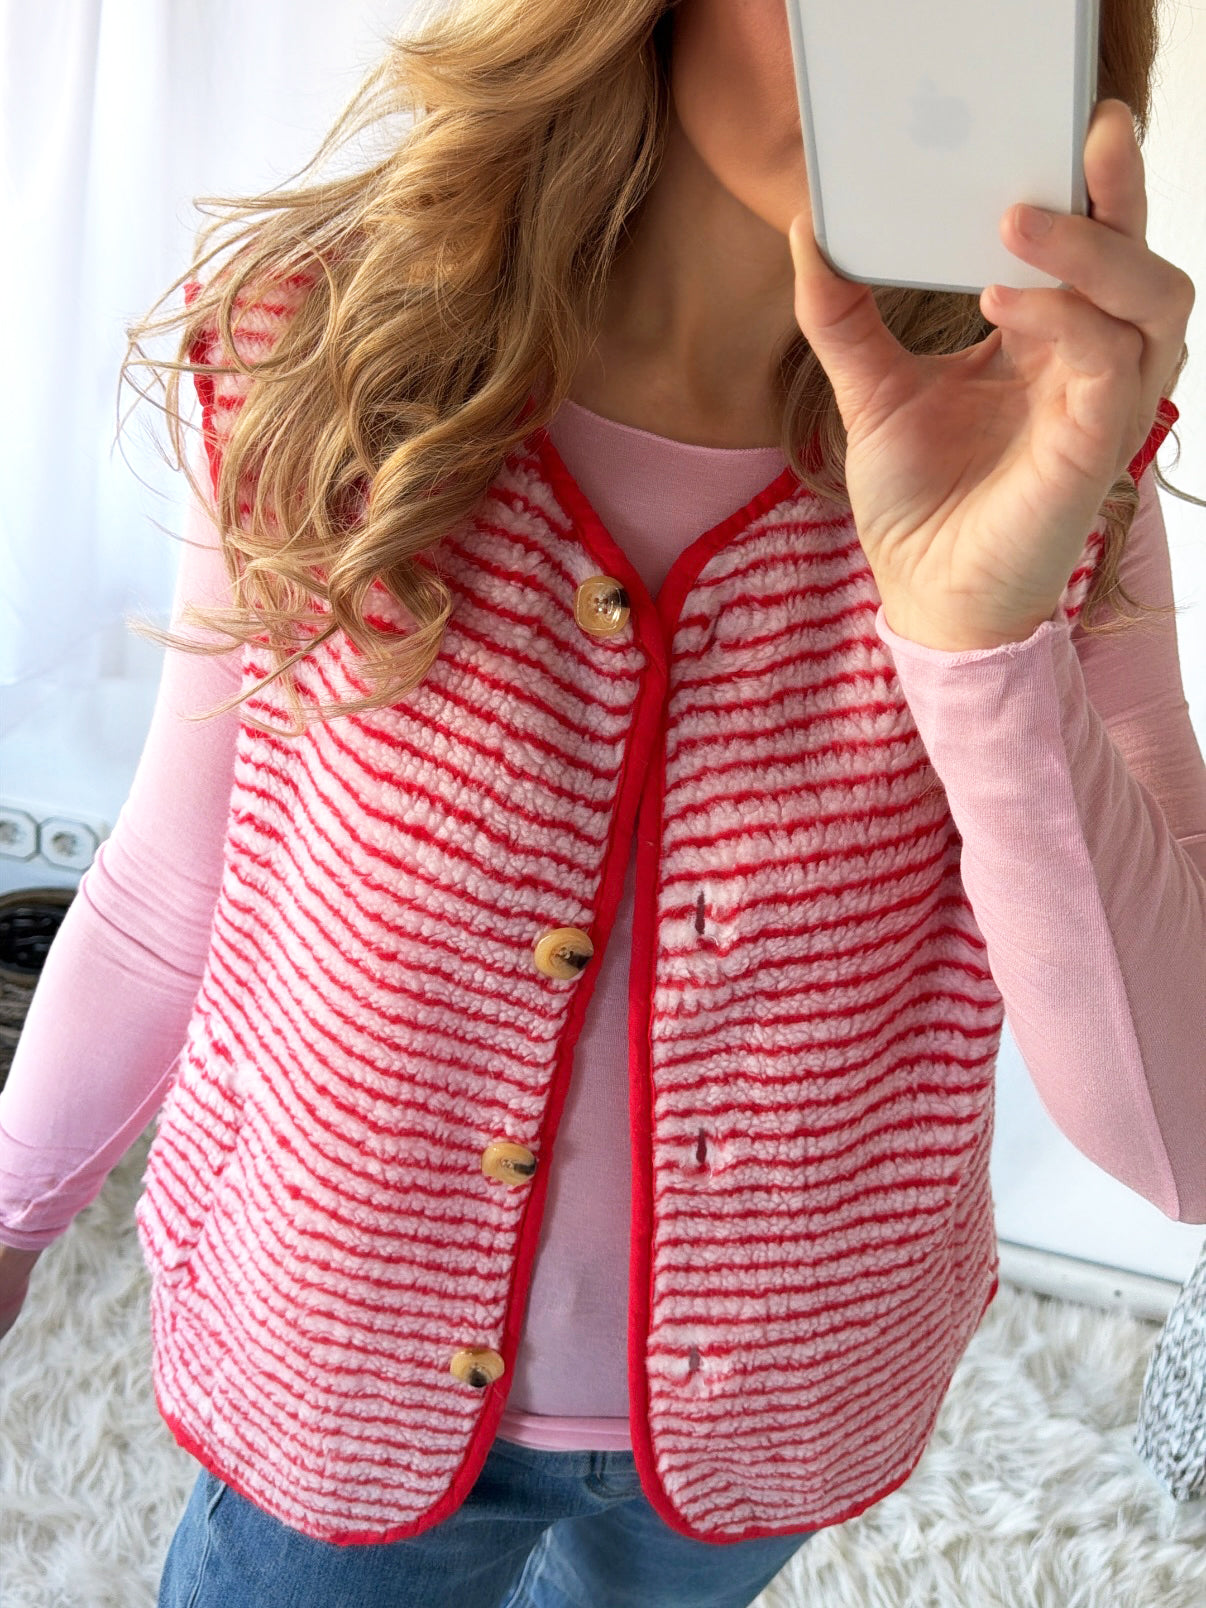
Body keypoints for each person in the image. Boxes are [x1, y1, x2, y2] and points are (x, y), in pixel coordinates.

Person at [2, 2, 1204, 1604]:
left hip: (771, 1399)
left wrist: (982, 644)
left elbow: (1177, 1138)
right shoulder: (325, 351)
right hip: (335, 1361)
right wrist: (14, 1208)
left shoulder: (1056, 469)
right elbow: (180, 875)